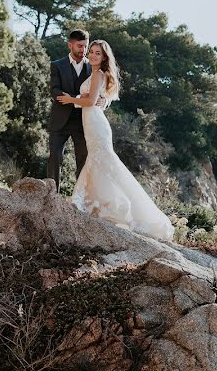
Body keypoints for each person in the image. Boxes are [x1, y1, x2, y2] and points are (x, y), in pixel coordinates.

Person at [56, 40, 174, 241]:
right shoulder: (95, 73)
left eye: (97, 53)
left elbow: (91, 101)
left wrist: (71, 99)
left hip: (95, 122)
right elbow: (100, 98)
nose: (92, 55)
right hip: (93, 121)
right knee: (99, 161)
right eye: (91, 52)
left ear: (104, 58)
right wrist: (99, 99)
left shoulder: (98, 74)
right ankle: (98, 203)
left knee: (102, 161)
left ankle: (108, 207)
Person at [47, 29, 93, 193]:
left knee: (83, 160)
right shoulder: (57, 65)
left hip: (83, 122)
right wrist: (82, 99)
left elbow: (97, 95)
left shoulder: (93, 68)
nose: (83, 50)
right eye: (80, 46)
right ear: (70, 45)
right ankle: (52, 196)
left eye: (85, 46)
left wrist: (73, 99)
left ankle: (79, 198)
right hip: (60, 121)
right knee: (55, 158)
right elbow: (55, 92)